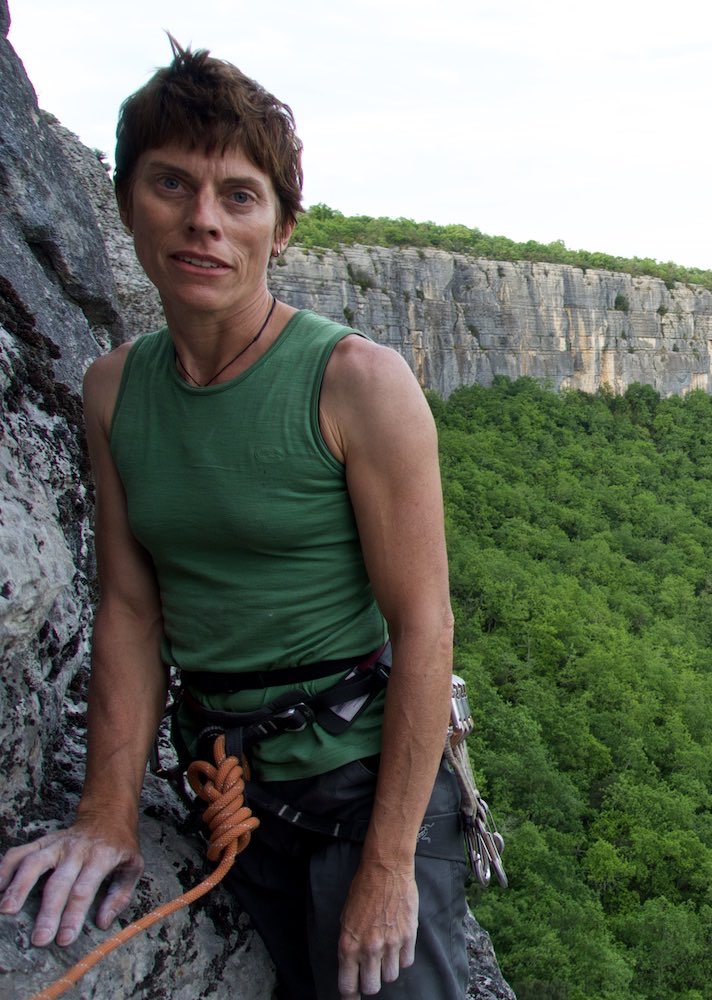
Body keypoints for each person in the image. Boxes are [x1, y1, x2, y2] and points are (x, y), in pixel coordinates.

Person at [0, 39, 467, 1000]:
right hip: (223, 785)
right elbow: (131, 608)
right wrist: (106, 815)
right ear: (129, 202)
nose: (203, 221)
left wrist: (387, 871)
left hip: (356, 785)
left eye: (239, 195)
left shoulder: (356, 383)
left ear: (281, 227)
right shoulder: (113, 390)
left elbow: (424, 626)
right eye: (172, 185)